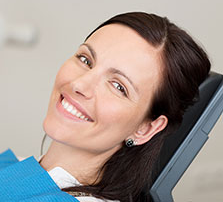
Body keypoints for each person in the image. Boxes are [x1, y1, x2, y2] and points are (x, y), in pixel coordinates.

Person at [0, 12, 211, 202]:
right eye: (86, 59)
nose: (79, 84)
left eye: (119, 87)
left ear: (145, 128)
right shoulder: (15, 165)